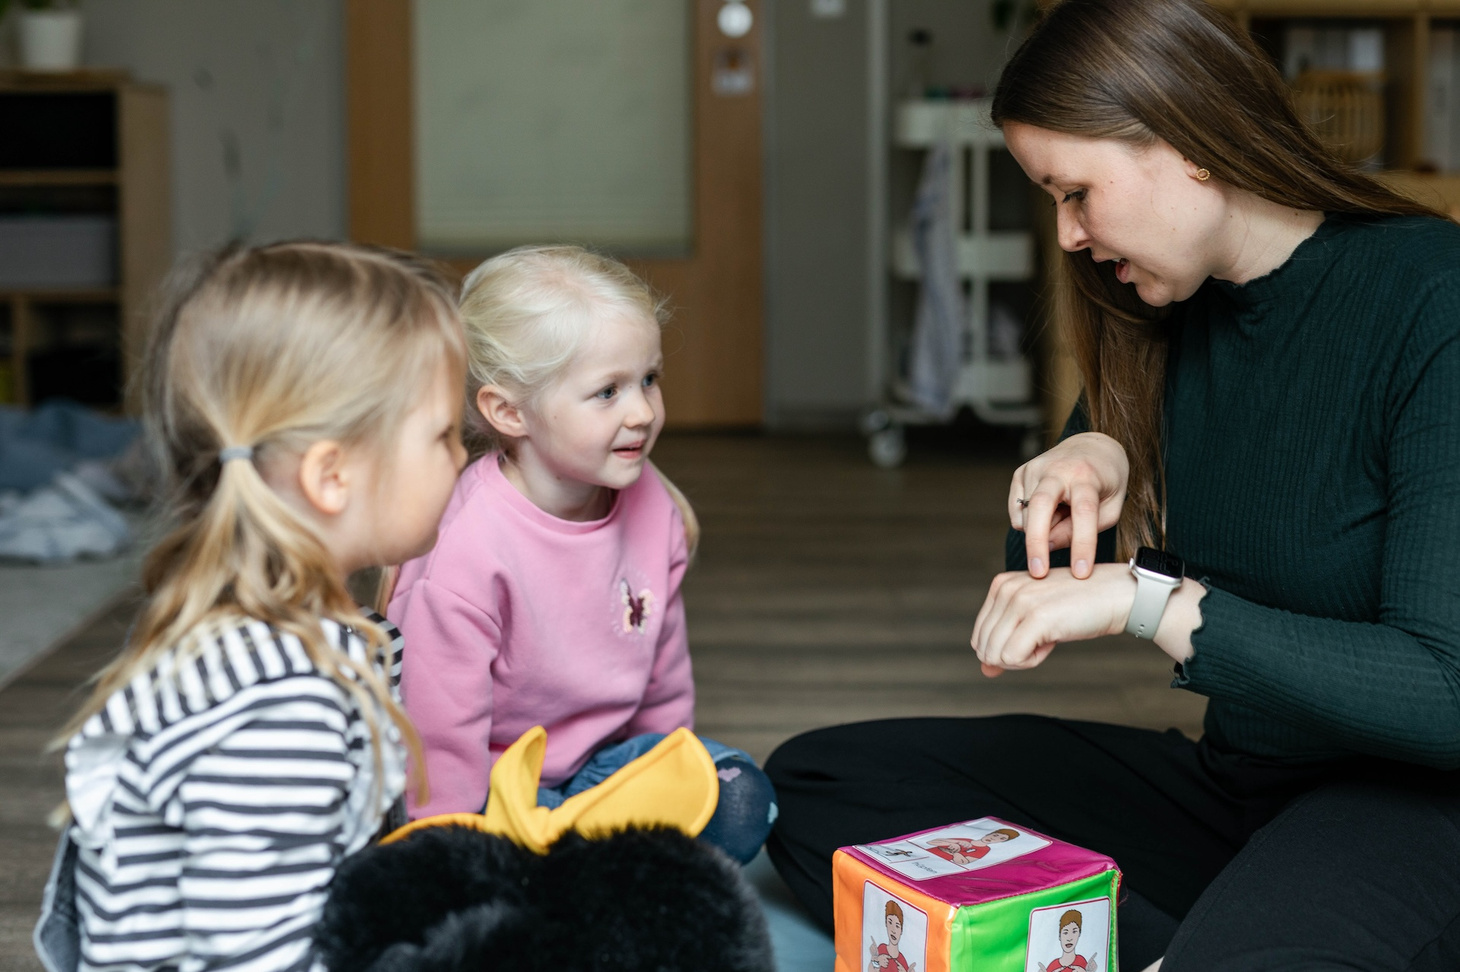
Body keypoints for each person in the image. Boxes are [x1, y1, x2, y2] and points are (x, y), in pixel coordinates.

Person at [764, 0, 1460, 968]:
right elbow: (1035, 585)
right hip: (1238, 791)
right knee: (817, 781)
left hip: (1410, 808)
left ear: (1188, 144)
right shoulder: (1171, 309)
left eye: (1073, 193)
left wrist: (1154, 605)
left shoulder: (1431, 299)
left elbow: (1441, 692)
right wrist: (1095, 452)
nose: (1065, 235)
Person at [32, 242, 468, 972]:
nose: (463, 456)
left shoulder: (284, 633)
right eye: (443, 434)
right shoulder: (282, 702)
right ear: (332, 474)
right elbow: (254, 955)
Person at [388, 245, 776, 864]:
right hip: (492, 795)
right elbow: (441, 743)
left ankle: (575, 874)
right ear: (509, 412)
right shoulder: (464, 550)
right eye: (607, 392)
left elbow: (663, 684)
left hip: (601, 771)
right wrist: (453, 859)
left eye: (649, 379)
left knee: (739, 798)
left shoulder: (652, 506)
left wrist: (667, 782)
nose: (643, 412)